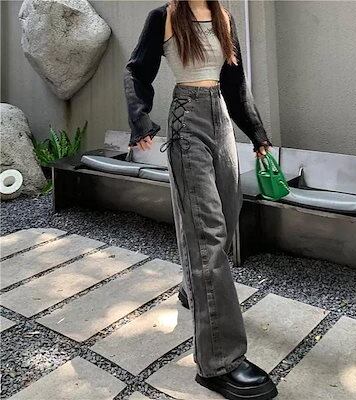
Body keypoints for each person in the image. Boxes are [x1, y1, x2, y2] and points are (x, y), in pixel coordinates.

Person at [123, 1, 277, 399]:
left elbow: (235, 82)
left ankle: (194, 290)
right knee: (207, 235)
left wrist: (256, 133)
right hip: (186, 120)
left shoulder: (224, 17)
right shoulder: (165, 17)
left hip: (221, 121)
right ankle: (219, 363)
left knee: (225, 217)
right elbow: (137, 71)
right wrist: (140, 119)